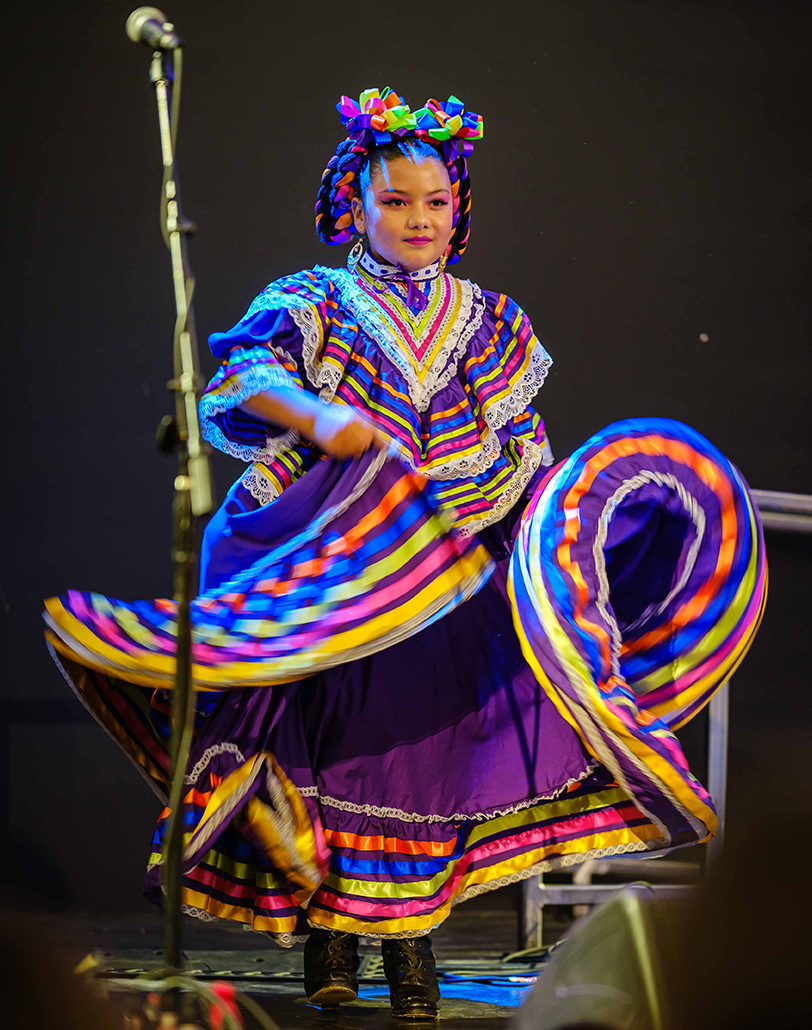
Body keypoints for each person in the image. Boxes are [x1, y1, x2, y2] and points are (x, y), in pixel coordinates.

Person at [44, 88, 766, 1020]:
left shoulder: (493, 321)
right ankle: (333, 940)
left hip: (452, 571)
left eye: (433, 202)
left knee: (427, 761)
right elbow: (249, 375)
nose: (417, 220)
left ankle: (413, 946)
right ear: (355, 202)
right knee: (337, 752)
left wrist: (553, 541)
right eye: (395, 202)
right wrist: (320, 414)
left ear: (457, 206)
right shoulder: (313, 299)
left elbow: (527, 451)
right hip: (338, 564)